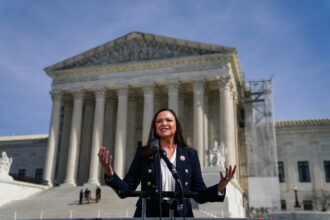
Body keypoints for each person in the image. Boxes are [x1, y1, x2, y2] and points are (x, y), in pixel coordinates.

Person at [98, 108, 236, 217]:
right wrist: (110, 174)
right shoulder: (144, 153)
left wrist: (219, 188)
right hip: (149, 214)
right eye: (159, 121)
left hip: (181, 214)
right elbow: (126, 190)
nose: (164, 123)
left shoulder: (190, 155)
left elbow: (198, 194)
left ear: (176, 126)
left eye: (168, 120)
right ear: (155, 127)